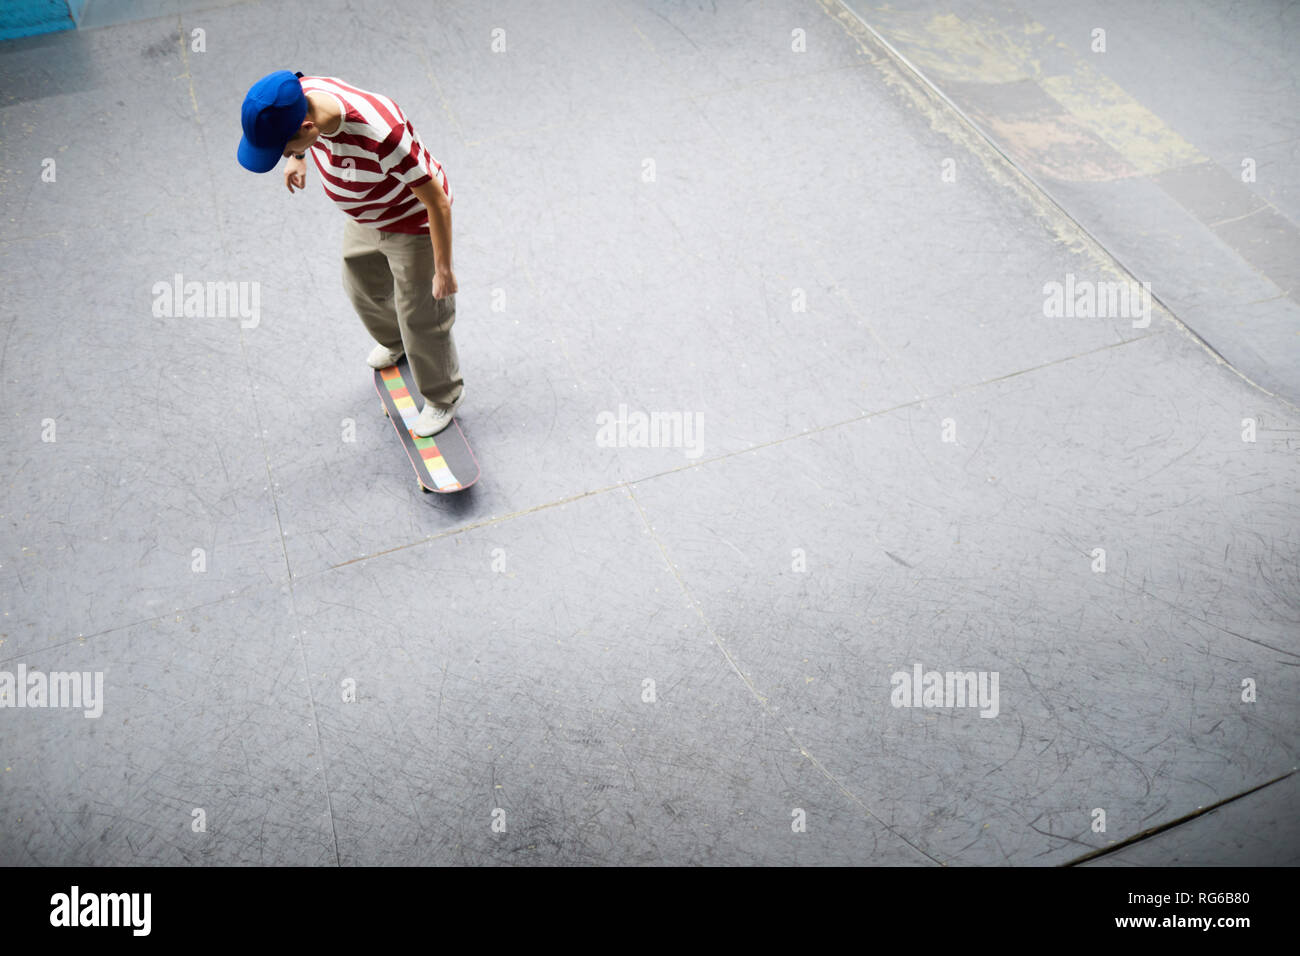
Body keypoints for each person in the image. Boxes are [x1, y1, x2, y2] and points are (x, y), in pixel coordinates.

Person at [236, 70, 463, 436]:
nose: (286, 157)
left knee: (421, 313)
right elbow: (291, 97)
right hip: (365, 213)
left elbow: (437, 201)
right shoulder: (298, 95)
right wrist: (297, 158)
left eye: (285, 151)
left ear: (309, 128)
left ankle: (443, 396)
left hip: (412, 222)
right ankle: (394, 341)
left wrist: (444, 269)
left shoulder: (382, 135)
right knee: (360, 284)